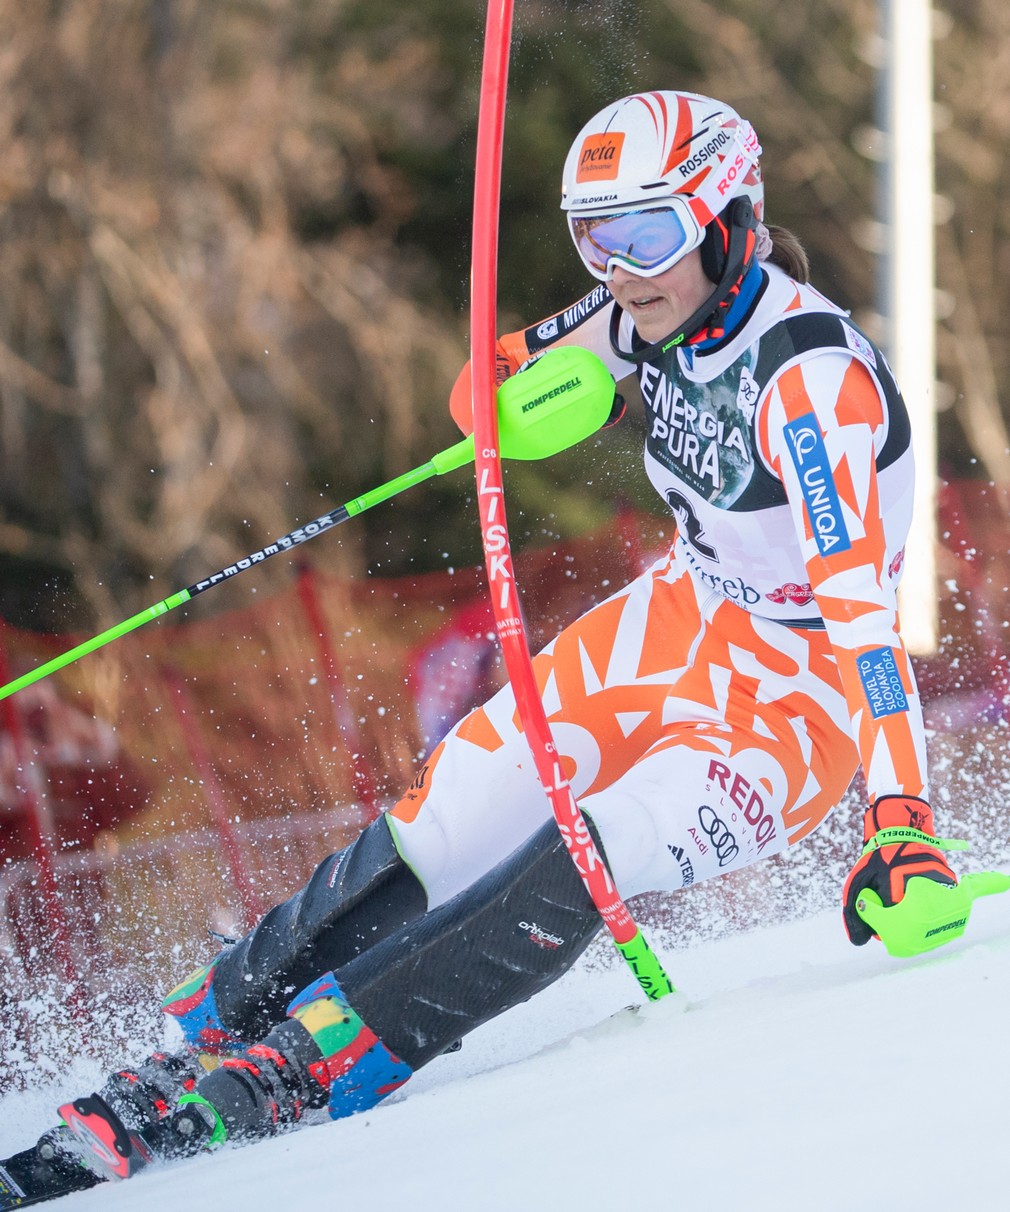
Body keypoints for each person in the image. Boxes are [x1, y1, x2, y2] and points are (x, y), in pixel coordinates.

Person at [10, 88, 964, 1193]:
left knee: (589, 843)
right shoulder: (634, 312)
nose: (620, 269)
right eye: (594, 238)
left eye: (647, 234)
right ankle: (216, 1024)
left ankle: (321, 1058)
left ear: (725, 219)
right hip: (673, 626)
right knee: (451, 815)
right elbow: (492, 380)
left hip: (797, 697)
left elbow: (865, 628)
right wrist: (510, 396)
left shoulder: (810, 383)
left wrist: (897, 821)